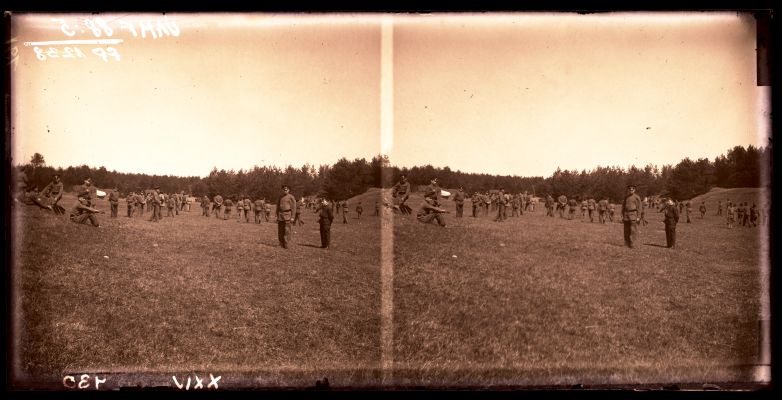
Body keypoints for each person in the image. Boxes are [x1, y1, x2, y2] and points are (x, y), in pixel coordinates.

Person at [622, 184, 642, 248]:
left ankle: (632, 243)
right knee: (626, 230)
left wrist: (638, 216)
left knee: (633, 230)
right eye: (630, 189)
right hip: (626, 214)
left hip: (633, 214)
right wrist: (622, 215)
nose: (631, 190)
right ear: (628, 190)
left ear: (634, 190)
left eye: (632, 189)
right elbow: (623, 206)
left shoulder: (637, 197)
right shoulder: (626, 197)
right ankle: (626, 243)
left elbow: (639, 207)